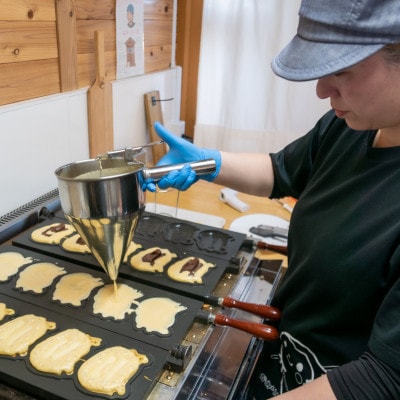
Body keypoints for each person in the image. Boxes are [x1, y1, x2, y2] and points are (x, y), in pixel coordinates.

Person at [143, 0, 400, 398]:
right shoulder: (348, 127)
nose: (320, 89)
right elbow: (282, 170)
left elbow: (385, 378)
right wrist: (208, 163)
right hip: (283, 365)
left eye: (341, 70)